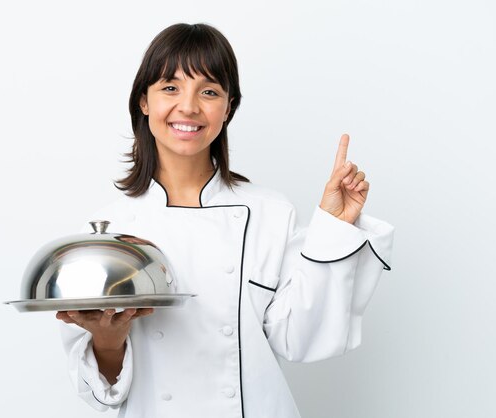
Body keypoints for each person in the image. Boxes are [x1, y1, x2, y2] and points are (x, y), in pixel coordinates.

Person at [56, 23, 393, 418]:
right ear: (143, 102)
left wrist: (333, 228)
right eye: (170, 87)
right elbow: (101, 394)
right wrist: (108, 343)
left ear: (228, 107)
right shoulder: (107, 229)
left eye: (209, 91)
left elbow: (299, 341)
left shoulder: (270, 212)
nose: (189, 106)